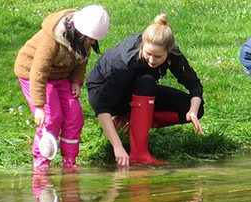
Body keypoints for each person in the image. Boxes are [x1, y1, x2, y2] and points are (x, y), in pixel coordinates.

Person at [86, 14, 203, 166]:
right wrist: (118, 146)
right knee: (146, 81)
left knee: (195, 108)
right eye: (148, 54)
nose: (152, 60)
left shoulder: (175, 55)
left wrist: (192, 111)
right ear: (142, 45)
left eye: (158, 56)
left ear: (169, 51)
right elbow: (102, 106)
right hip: (103, 90)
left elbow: (195, 86)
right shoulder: (126, 62)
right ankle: (139, 153)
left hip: (138, 91)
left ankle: (125, 124)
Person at [15, 4, 110, 171]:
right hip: (34, 74)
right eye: (89, 38)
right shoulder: (51, 40)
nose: (92, 42)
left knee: (74, 115)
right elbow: (38, 71)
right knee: (52, 117)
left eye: (94, 40)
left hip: (61, 76)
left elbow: (81, 62)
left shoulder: (84, 38)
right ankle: (41, 162)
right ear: (78, 31)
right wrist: (39, 106)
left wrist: (76, 81)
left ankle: (69, 161)